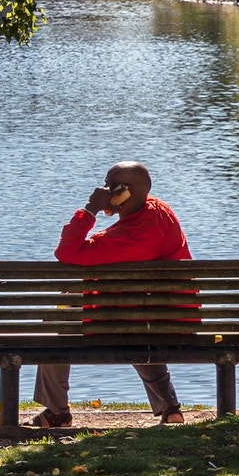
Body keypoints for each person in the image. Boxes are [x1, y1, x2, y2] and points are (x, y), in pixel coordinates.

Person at [29, 161, 191, 429]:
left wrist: (90, 209)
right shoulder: (161, 212)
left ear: (125, 191)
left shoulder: (128, 238)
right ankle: (170, 408)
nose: (103, 190)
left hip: (127, 322)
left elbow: (66, 252)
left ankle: (57, 413)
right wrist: (115, 205)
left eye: (109, 186)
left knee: (59, 325)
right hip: (169, 320)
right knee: (136, 321)